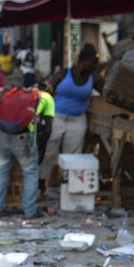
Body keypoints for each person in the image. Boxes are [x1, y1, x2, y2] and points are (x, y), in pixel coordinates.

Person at [0, 72, 54, 219]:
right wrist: (41, 147)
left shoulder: (13, 94)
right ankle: (30, 211)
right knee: (30, 172)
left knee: (2, 170)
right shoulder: (46, 98)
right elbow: (48, 127)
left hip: (3, 135)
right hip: (23, 137)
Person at [39, 43, 104, 186]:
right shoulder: (63, 74)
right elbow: (47, 92)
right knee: (49, 152)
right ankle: (41, 185)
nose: (94, 66)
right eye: (92, 63)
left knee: (73, 156)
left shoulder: (93, 78)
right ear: (82, 61)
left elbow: (106, 91)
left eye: (96, 63)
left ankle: (69, 187)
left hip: (77, 120)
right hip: (57, 118)